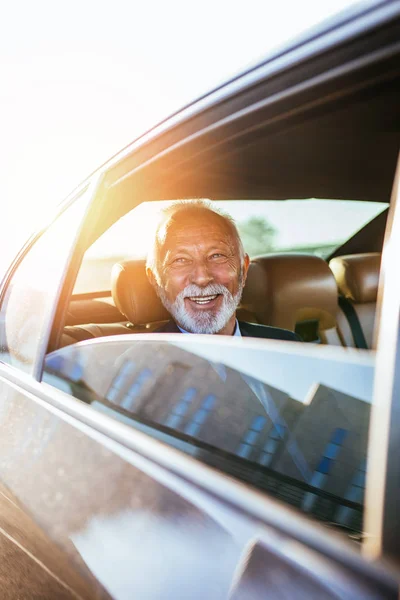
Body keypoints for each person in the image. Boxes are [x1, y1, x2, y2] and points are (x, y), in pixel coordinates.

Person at [146, 200, 301, 341]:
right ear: (155, 279)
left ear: (243, 269)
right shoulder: (135, 367)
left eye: (217, 256)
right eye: (180, 260)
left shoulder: (289, 348)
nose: (202, 278)